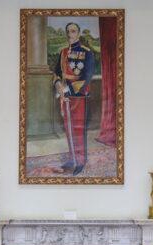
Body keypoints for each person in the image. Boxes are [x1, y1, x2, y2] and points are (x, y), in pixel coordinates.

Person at [53, 22, 95, 176]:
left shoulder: (87, 53)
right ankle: (72, 159)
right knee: (68, 129)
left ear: (78, 33)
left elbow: (87, 77)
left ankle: (81, 161)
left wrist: (68, 89)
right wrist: (58, 84)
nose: (70, 34)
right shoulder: (63, 52)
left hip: (79, 96)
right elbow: (57, 72)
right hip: (65, 97)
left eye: (73, 31)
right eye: (68, 31)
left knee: (78, 130)